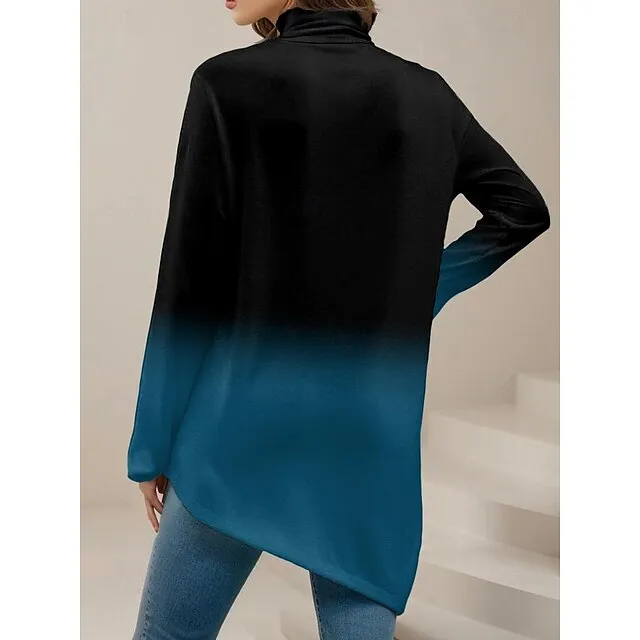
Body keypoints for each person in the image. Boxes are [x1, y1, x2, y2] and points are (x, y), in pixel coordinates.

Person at [127, 1, 551, 638]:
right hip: (368, 426)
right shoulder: (426, 93)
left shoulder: (225, 82)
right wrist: (417, 290)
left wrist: (151, 443)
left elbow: (188, 282)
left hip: (241, 421)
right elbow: (521, 209)